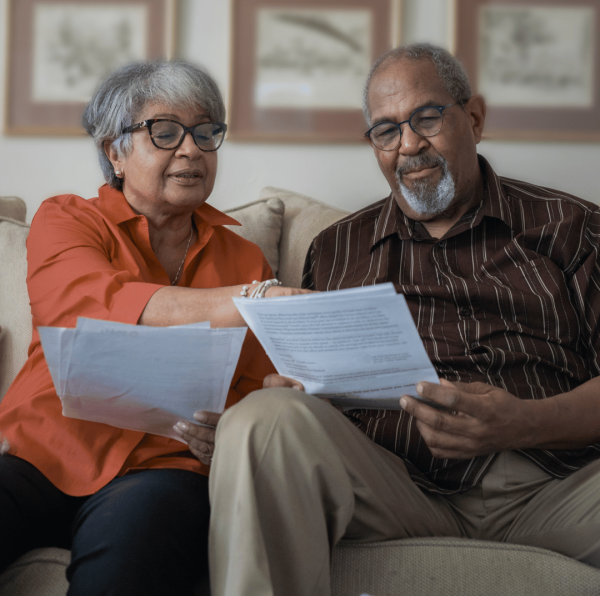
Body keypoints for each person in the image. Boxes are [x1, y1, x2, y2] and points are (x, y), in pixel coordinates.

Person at [208, 43, 600, 596]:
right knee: (263, 417)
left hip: (553, 485)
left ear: (475, 118)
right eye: (387, 130)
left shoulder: (570, 226)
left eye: (427, 118)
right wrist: (298, 392)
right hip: (397, 486)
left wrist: (524, 422)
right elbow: (316, 396)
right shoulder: (338, 248)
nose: (409, 144)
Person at [0, 59, 305, 595]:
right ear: (114, 151)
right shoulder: (67, 218)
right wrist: (247, 301)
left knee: (130, 560)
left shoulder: (246, 258)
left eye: (206, 133)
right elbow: (84, 306)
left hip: (164, 467)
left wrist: (230, 431)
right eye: (164, 132)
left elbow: (254, 387)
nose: (191, 149)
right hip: (41, 450)